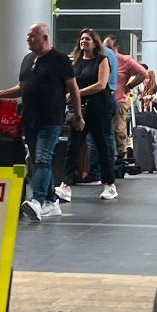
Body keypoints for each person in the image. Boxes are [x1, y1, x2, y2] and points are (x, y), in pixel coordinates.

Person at [0, 22, 83, 222]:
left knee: (42, 159)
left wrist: (78, 115)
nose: (28, 40)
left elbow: (73, 89)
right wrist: (0, 94)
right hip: (30, 119)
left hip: (51, 119)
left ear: (44, 38)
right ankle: (52, 201)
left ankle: (37, 201)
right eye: (28, 36)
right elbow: (22, 87)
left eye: (32, 36)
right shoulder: (28, 59)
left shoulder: (60, 59)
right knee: (38, 161)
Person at [57, 29, 118, 201]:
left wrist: (78, 92)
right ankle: (66, 185)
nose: (84, 41)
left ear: (94, 42)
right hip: (80, 110)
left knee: (102, 146)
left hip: (99, 109)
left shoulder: (102, 60)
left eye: (88, 39)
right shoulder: (76, 62)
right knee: (73, 146)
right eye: (82, 39)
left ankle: (110, 185)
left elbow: (101, 84)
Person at [103, 36, 147, 161]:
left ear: (116, 48)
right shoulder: (101, 59)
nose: (106, 50)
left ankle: (120, 157)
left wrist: (129, 86)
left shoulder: (125, 61)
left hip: (118, 101)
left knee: (119, 131)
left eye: (109, 47)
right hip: (103, 101)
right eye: (104, 47)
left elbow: (143, 73)